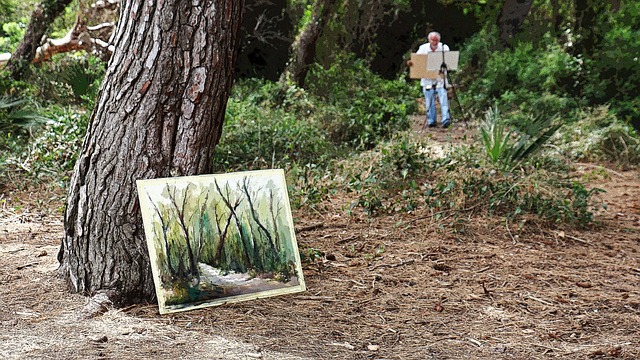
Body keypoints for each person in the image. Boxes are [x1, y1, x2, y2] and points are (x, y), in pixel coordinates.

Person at [407, 31, 451, 129]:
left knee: (443, 98)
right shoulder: (423, 48)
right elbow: (417, 60)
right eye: (432, 40)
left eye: (436, 40)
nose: (434, 42)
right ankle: (431, 120)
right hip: (427, 78)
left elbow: (449, 62)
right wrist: (411, 63)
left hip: (440, 78)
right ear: (429, 40)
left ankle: (446, 119)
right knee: (429, 99)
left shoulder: (444, 47)